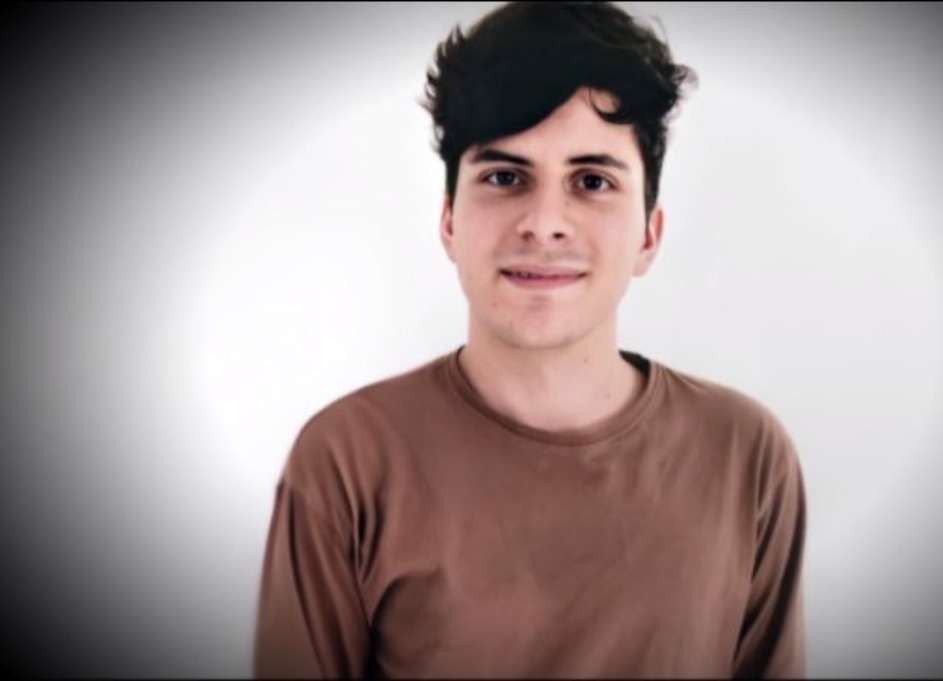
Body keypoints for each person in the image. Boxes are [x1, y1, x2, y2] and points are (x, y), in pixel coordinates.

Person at [253, 2, 807, 678]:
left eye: (593, 181)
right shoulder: (346, 461)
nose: (544, 223)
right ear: (449, 220)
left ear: (649, 235)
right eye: (505, 177)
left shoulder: (747, 455)